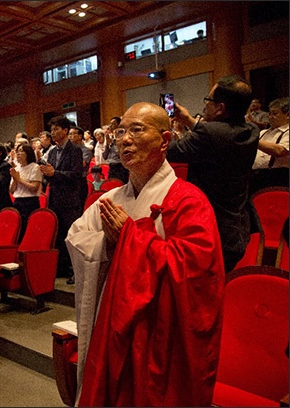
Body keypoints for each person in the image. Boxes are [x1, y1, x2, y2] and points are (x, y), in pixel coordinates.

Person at [66, 102, 225, 406]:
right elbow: (77, 237)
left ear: (165, 140)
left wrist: (131, 237)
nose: (125, 139)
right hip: (113, 322)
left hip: (159, 335)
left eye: (137, 130)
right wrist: (112, 243)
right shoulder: (110, 199)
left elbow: (197, 272)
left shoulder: (188, 200)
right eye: (121, 131)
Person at [167, 75, 259, 272]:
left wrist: (164, 130)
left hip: (211, 231)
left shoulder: (209, 135)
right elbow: (218, 133)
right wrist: (189, 121)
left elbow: (168, 151)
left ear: (220, 108)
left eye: (208, 100)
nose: (205, 105)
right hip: (236, 228)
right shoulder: (251, 130)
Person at [40, 115, 83, 285]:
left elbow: (76, 175)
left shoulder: (75, 150)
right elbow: (50, 175)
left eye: (56, 129)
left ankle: (76, 270)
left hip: (70, 200)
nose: (53, 132)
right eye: (51, 130)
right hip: (55, 199)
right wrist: (46, 174)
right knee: (58, 236)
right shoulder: (52, 152)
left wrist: (54, 174)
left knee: (71, 236)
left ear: (65, 131)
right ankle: (62, 268)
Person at [250, 97, 289, 194]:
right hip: (256, 176)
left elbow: (280, 151)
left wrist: (251, 139)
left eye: (275, 114)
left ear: (287, 115)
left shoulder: (287, 132)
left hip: (277, 178)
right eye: (270, 113)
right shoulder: (263, 132)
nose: (270, 117)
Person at [10, 144, 42, 242]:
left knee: (27, 230)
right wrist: (15, 179)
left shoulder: (35, 167)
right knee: (18, 231)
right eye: (17, 151)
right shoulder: (17, 168)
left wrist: (19, 179)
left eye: (21, 151)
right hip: (18, 202)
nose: (18, 154)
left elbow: (34, 188)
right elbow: (12, 190)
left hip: (30, 202)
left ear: (28, 154)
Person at [103, 117, 129, 183]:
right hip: (111, 167)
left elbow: (121, 153)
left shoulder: (123, 136)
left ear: (119, 124)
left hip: (121, 167)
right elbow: (105, 156)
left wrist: (113, 142)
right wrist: (107, 145)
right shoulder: (109, 137)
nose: (110, 126)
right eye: (110, 124)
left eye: (113, 124)